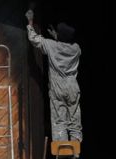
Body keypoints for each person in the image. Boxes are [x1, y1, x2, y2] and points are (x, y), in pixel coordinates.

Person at [25, 10, 83, 145]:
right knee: (74, 119)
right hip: (73, 87)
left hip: (58, 87)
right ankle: (75, 153)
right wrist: (58, 37)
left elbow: (33, 39)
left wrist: (30, 22)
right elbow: (65, 45)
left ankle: (63, 155)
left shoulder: (51, 46)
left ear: (60, 36)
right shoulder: (76, 49)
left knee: (59, 120)